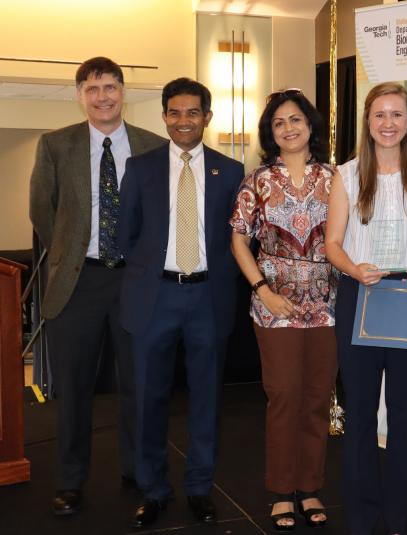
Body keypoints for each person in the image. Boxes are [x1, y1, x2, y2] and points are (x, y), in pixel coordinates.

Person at [28, 56, 166, 516]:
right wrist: (71, 253)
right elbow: (42, 212)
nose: (102, 96)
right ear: (80, 95)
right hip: (78, 283)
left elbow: (160, 217)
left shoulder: (153, 146)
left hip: (136, 283)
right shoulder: (55, 145)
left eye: (110, 86)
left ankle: (140, 471)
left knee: (140, 385)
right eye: (92, 88)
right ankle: (69, 481)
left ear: (123, 91)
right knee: (74, 386)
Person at [118, 78, 243, 528]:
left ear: (207, 117)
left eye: (193, 112)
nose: (183, 120)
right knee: (149, 399)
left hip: (209, 297)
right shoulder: (141, 167)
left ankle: (199, 488)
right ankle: (152, 489)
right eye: (175, 112)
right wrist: (152, 274)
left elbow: (237, 239)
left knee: (207, 399)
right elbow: (126, 235)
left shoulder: (230, 171)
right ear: (165, 116)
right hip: (155, 299)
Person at [325, 82, 407, 535]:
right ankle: (360, 518)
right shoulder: (347, 174)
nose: (388, 123)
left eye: (397, 114)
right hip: (361, 295)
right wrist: (354, 270)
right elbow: (332, 243)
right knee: (359, 413)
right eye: (380, 115)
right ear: (368, 121)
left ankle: (399, 519)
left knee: (404, 413)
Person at [229, 89, 338, 532]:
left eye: (296, 120)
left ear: (310, 125)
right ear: (270, 133)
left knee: (316, 399)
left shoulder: (337, 178)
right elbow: (238, 239)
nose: (289, 128)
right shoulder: (257, 180)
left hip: (327, 305)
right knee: (283, 397)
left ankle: (310, 487)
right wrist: (263, 289)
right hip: (274, 306)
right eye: (279, 123)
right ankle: (280, 491)